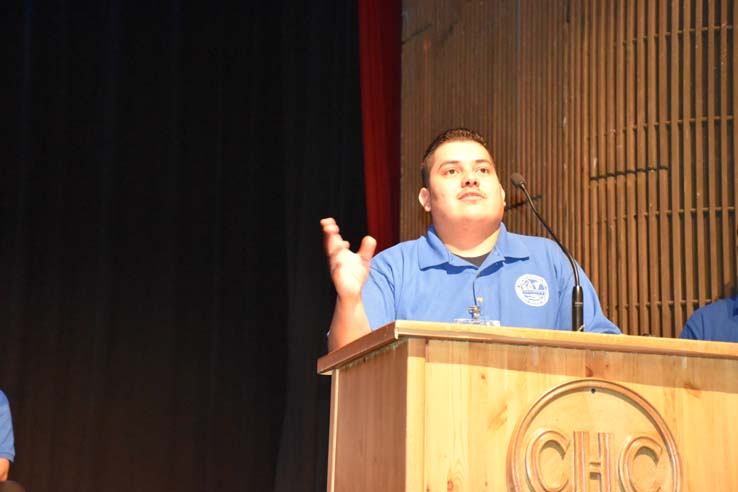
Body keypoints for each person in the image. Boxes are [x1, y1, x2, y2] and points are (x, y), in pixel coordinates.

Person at [321, 128, 620, 351]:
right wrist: (349, 301)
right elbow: (350, 362)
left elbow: (605, 354)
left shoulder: (552, 261)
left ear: (502, 193)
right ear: (425, 199)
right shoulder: (391, 269)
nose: (471, 178)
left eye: (483, 170)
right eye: (452, 171)